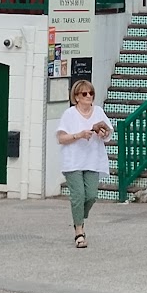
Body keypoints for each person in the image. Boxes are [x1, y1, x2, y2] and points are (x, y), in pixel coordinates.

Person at [55, 80, 112, 249]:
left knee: (91, 195)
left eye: (91, 93)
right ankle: (79, 231)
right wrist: (79, 135)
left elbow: (108, 133)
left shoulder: (99, 112)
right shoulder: (69, 114)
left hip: (93, 159)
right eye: (84, 94)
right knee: (78, 195)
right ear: (76, 97)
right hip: (73, 160)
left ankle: (79, 215)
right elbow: (61, 138)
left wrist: (103, 132)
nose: (88, 97)